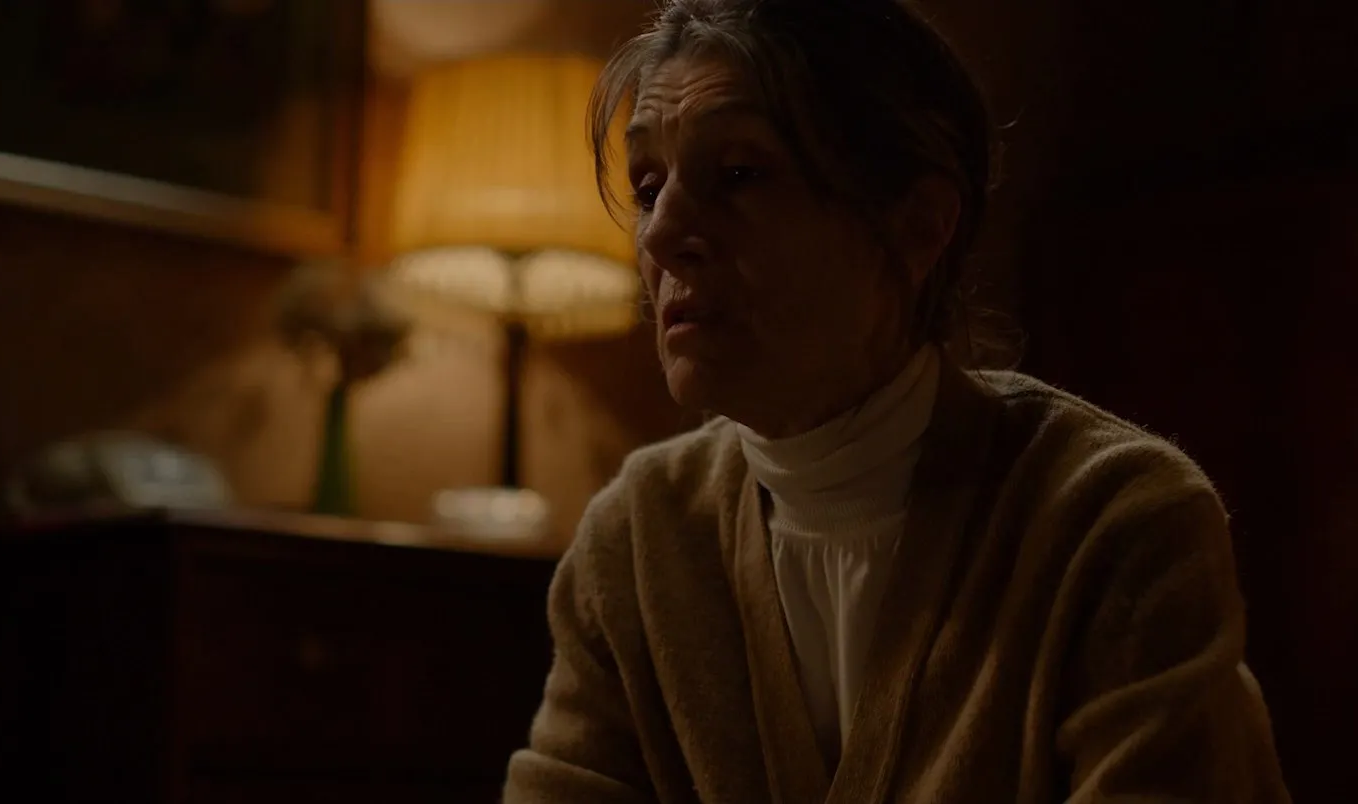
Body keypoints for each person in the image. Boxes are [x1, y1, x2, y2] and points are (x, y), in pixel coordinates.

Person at [504, 1, 1291, 801]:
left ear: (917, 227)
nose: (662, 234)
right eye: (647, 187)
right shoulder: (637, 540)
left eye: (739, 174)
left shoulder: (1110, 521)